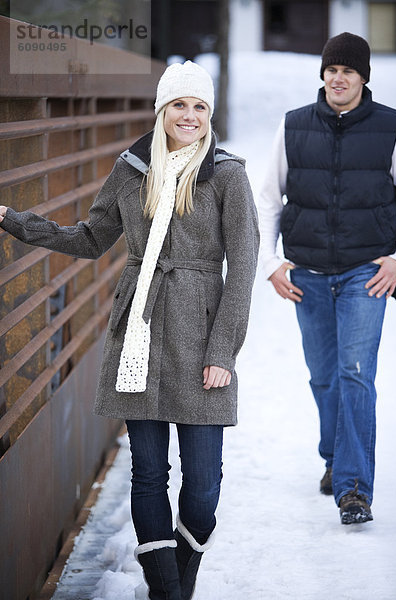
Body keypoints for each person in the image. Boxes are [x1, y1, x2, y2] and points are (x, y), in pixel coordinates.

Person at [0, 61, 259, 598]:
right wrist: (13, 219)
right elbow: (91, 238)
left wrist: (223, 352)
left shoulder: (228, 174)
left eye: (199, 107)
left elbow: (244, 270)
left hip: (200, 338)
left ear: (209, 113)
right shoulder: (131, 168)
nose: (189, 116)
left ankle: (177, 581)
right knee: (147, 473)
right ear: (162, 109)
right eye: (179, 105)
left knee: (204, 489)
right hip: (138, 333)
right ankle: (168, 592)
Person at [258, 32, 396, 525]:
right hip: (309, 275)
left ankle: (354, 489)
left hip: (366, 272)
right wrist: (270, 263)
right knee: (323, 377)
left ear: (363, 76)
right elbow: (269, 200)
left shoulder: (392, 128)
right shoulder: (294, 126)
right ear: (323, 74)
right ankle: (335, 458)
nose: (339, 78)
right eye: (332, 70)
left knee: (355, 374)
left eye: (349, 71)